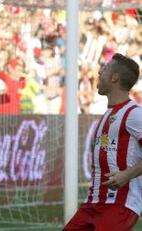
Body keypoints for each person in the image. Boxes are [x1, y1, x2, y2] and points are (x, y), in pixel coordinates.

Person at [64, 53, 142, 231]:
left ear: (114, 77)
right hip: (93, 203)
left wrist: (127, 174)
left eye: (105, 69)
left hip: (120, 203)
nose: (99, 72)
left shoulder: (134, 114)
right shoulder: (108, 114)